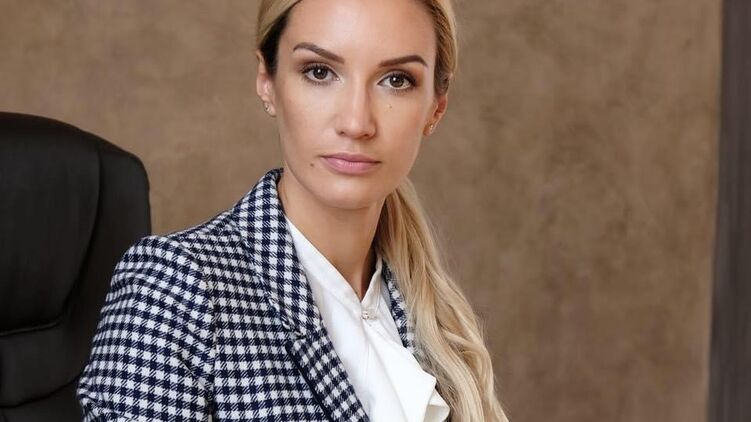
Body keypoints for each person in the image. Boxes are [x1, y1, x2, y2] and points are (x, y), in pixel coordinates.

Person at [76, 0, 509, 421]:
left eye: (396, 80)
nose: (356, 122)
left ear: (436, 107)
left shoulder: (433, 317)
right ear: (267, 81)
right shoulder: (174, 289)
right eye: (319, 72)